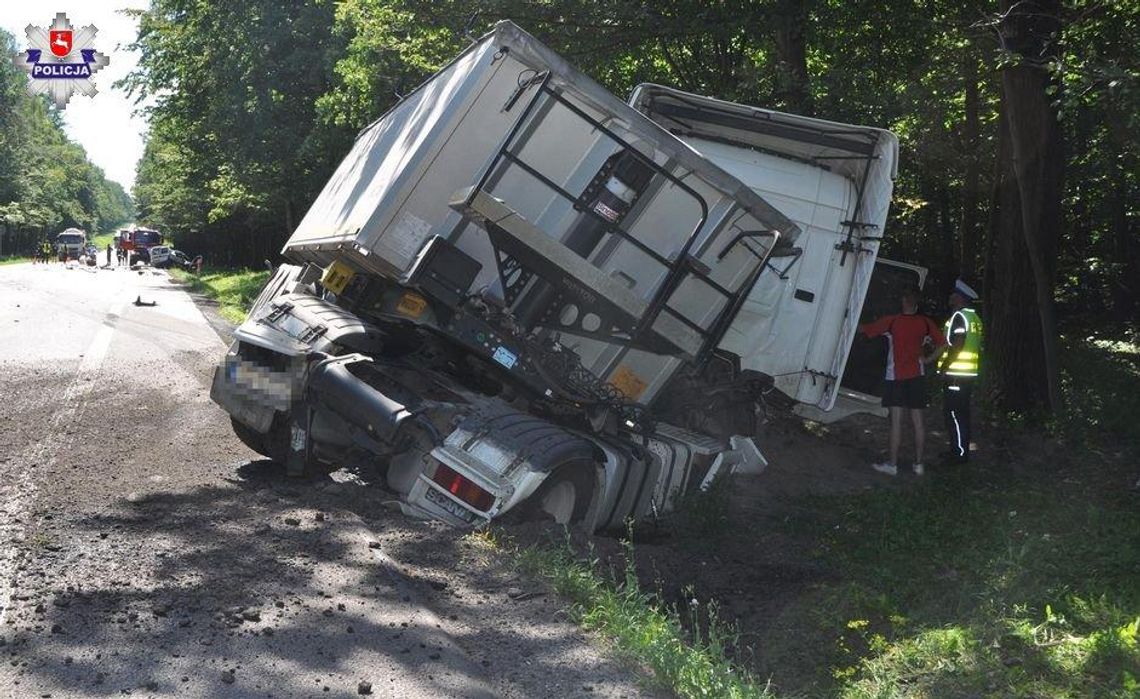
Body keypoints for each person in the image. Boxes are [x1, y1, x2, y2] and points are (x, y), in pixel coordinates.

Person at [859, 286, 948, 476]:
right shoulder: (925, 323)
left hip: (896, 377)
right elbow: (942, 343)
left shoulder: (892, 322)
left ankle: (892, 464)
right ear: (917, 304)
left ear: (903, 301)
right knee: (918, 422)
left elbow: (865, 329)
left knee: (896, 422)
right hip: (917, 376)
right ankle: (919, 465)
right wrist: (928, 359)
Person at [938, 279, 983, 463]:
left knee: (954, 413)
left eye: (953, 294)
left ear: (960, 298)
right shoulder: (975, 318)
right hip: (968, 373)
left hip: (957, 373)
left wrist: (946, 366)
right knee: (962, 412)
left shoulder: (959, 317)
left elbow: (958, 344)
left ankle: (959, 453)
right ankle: (960, 450)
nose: (950, 296)